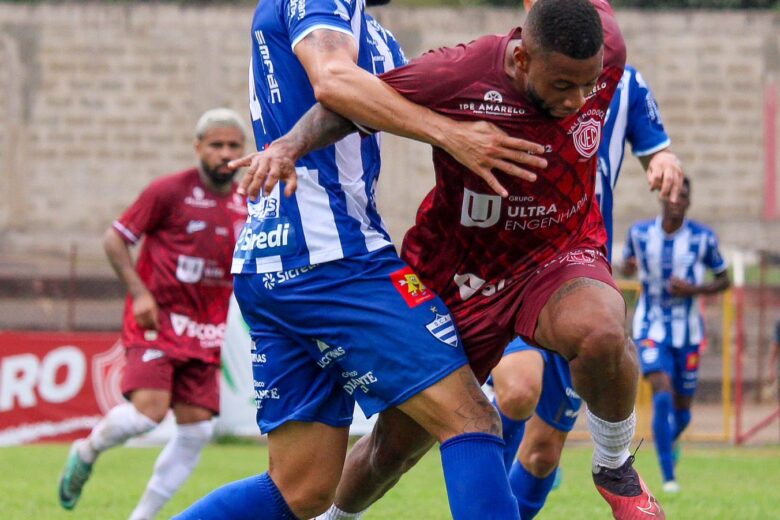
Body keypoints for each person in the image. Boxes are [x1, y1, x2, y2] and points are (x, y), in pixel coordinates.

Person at [236, 1, 679, 518]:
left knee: (600, 332)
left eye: (591, 85)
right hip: (459, 275)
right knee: (387, 452)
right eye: (563, 86)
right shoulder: (460, 71)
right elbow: (347, 103)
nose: (579, 100)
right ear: (521, 59)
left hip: (557, 256)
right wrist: (289, 144)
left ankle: (614, 464)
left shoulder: (599, 43)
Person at [173, 0, 546, 518]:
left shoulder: (374, 35)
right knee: (471, 419)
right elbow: (332, 80)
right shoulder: (324, 6)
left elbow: (399, 99)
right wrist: (452, 136)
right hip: (333, 260)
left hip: (276, 263)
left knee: (300, 489)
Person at [489, 14, 682, 516]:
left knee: (543, 451)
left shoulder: (628, 82)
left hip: (582, 276)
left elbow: (656, 149)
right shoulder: (506, 68)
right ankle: (479, 485)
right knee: (517, 390)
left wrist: (664, 163)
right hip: (517, 266)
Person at [56, 108, 250, 520]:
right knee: (149, 413)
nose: (225, 153)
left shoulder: (245, 203)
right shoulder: (168, 191)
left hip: (207, 328)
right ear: (198, 148)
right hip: (157, 319)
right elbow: (115, 239)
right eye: (216, 144)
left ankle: (142, 517)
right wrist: (140, 294)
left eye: (234, 146)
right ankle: (87, 449)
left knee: (198, 428)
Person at [622, 176, 730, 493]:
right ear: (661, 197)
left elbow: (724, 280)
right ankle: (668, 478)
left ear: (688, 201)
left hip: (688, 331)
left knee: (682, 412)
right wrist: (627, 268)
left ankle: (673, 438)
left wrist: (694, 288)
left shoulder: (703, 238)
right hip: (651, 324)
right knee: (662, 391)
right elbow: (627, 265)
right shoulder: (639, 234)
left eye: (683, 195)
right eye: (671, 193)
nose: (676, 199)